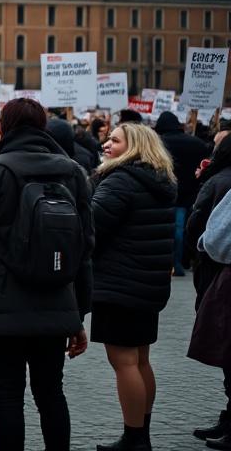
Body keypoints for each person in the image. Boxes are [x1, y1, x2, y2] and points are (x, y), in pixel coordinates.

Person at [0, 99, 94, 451]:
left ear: (4, 126)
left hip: (4, 301)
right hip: (57, 299)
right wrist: (79, 312)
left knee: (7, 394)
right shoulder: (73, 172)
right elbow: (85, 247)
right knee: (51, 393)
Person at [90, 121, 177, 451]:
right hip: (146, 283)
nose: (107, 145)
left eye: (115, 140)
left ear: (136, 146)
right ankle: (141, 432)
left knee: (124, 363)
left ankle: (134, 437)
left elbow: (92, 227)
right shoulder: (159, 180)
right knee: (140, 360)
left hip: (120, 284)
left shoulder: (120, 182)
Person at [187, 134, 231, 445]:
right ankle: (229, 417)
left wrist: (197, 250)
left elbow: (204, 229)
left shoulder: (217, 181)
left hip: (220, 272)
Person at [154, 111, 211, 277]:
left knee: (166, 230)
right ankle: (180, 262)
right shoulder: (198, 144)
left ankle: (169, 263)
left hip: (164, 193)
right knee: (182, 229)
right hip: (189, 195)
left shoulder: (159, 144)